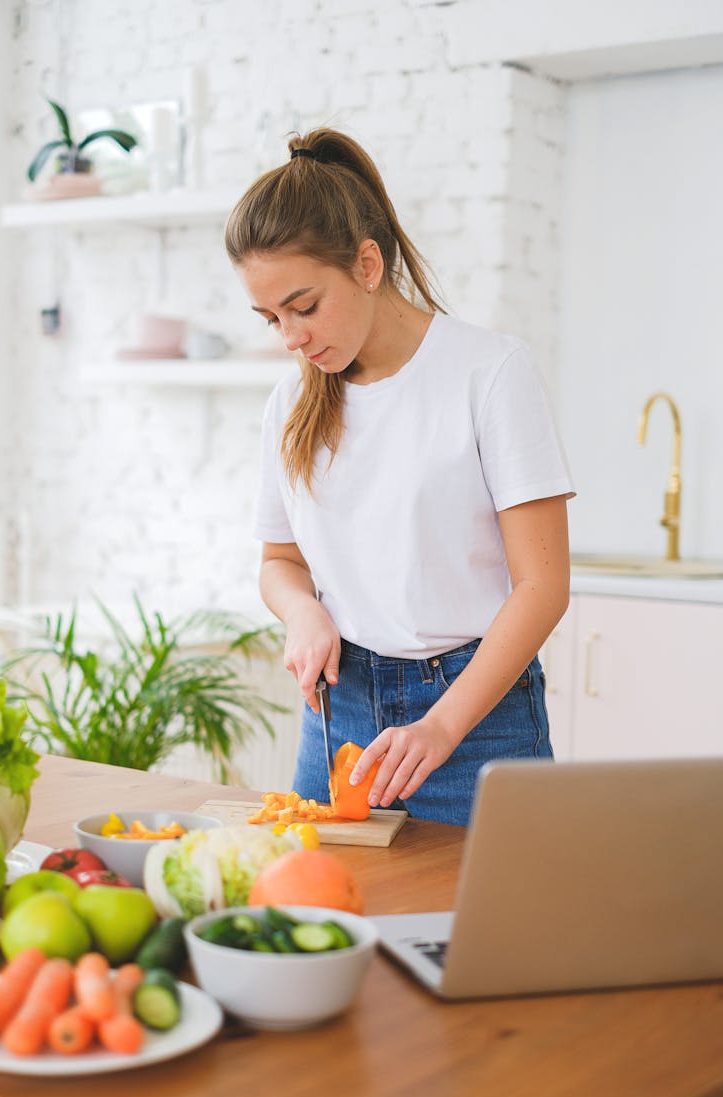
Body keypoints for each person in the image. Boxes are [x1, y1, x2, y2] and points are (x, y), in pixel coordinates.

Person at [225, 127, 575, 827]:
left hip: (478, 722)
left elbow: (543, 587)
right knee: (325, 924)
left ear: (366, 263)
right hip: (340, 715)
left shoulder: (489, 373)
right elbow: (278, 563)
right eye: (271, 317)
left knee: (484, 935)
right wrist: (304, 612)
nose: (289, 337)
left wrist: (441, 726)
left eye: (304, 306)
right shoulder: (291, 403)